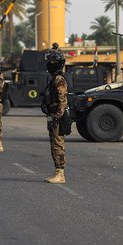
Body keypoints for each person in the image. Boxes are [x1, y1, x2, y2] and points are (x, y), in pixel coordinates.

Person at [42, 49, 69, 183]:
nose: (49, 64)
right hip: (53, 116)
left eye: (51, 62)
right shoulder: (53, 79)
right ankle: (57, 171)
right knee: (54, 144)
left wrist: (56, 117)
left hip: (57, 117)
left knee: (58, 144)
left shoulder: (59, 79)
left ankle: (60, 173)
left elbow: (63, 101)